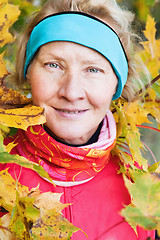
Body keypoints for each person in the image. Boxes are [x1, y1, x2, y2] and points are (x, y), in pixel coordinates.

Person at [0, 0, 155, 239]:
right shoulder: (3, 175)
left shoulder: (144, 192)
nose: (71, 92)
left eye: (92, 69)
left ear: (117, 83)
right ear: (28, 72)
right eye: (53, 65)